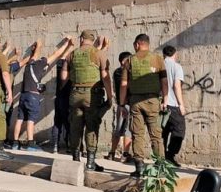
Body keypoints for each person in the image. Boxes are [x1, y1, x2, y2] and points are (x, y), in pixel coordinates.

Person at [59, 30, 113, 172]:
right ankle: (90, 162)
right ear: (91, 39)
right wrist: (110, 96)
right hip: (92, 96)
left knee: (75, 127)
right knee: (91, 127)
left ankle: (76, 159)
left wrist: (64, 88)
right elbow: (105, 76)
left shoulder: (72, 54)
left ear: (82, 39)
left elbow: (64, 76)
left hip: (75, 94)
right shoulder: (98, 53)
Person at [119, 34, 168, 177]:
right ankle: (160, 169)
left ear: (137, 44)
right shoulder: (158, 59)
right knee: (156, 135)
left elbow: (123, 85)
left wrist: (122, 104)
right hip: (153, 101)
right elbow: (164, 82)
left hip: (136, 102)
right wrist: (165, 100)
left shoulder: (129, 61)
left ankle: (139, 168)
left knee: (137, 134)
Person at [11, 37, 72, 151]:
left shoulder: (28, 66)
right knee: (31, 120)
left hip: (23, 96)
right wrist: (67, 44)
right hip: (33, 97)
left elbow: (33, 56)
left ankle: (15, 142)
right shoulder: (40, 64)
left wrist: (35, 48)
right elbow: (56, 54)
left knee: (19, 119)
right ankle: (30, 143)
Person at [106, 51, 133, 163]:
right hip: (129, 104)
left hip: (120, 104)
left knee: (118, 129)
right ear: (124, 61)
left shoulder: (116, 72)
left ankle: (112, 153)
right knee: (128, 130)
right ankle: (125, 155)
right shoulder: (127, 72)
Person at [162, 45, 186, 167]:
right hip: (173, 104)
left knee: (163, 131)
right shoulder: (177, 67)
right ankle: (170, 155)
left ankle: (161, 157)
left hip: (161, 104)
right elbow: (176, 86)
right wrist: (181, 104)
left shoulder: (159, 66)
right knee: (179, 130)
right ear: (174, 54)